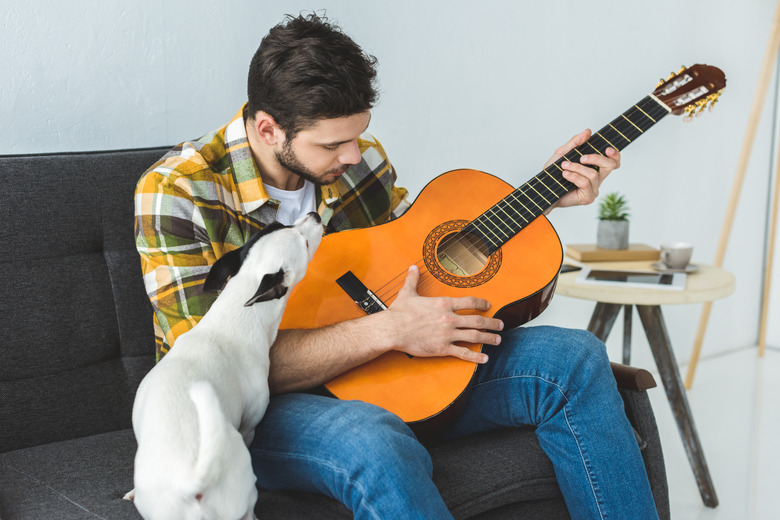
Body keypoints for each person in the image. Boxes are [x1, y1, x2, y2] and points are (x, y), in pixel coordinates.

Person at [134, 12, 659, 520]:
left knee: (576, 359)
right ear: (268, 129)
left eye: (358, 134)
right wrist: (389, 329)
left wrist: (540, 199)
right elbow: (214, 365)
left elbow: (425, 256)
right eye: (333, 143)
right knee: (374, 441)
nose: (353, 154)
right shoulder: (177, 193)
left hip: (390, 373)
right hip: (254, 411)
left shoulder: (358, 162)